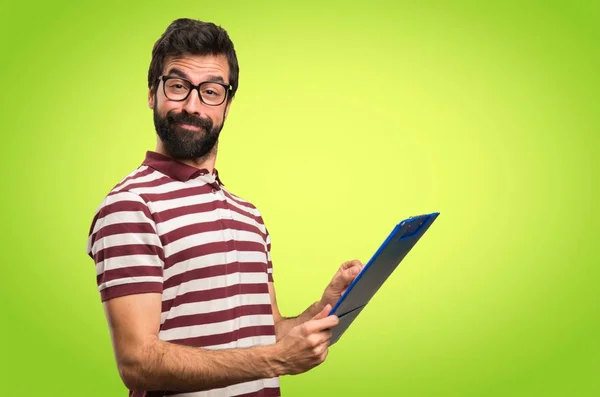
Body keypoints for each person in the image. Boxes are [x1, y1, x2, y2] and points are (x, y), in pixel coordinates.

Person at [86, 18, 363, 397]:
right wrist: (276, 361)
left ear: (227, 104)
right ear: (153, 93)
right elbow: (138, 362)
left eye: (211, 91)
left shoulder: (248, 215)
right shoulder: (131, 206)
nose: (192, 106)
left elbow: (269, 335)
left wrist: (326, 306)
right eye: (178, 86)